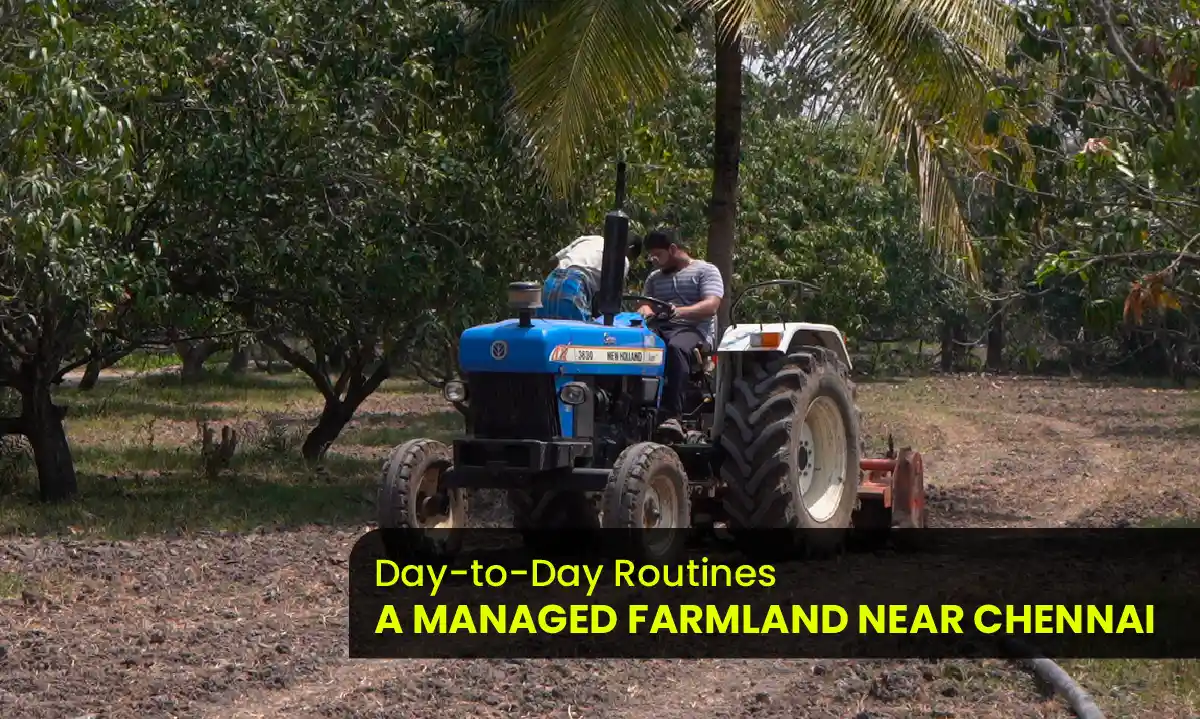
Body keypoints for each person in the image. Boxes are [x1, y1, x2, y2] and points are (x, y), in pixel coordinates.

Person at [636, 227, 724, 439]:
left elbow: (711, 305)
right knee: (634, 345)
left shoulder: (705, 270)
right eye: (651, 255)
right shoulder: (654, 278)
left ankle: (672, 416)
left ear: (673, 249)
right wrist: (646, 312)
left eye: (658, 254)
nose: (653, 260)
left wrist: (678, 312)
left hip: (694, 331)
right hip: (661, 329)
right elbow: (645, 305)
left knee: (676, 347)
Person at [537, 233, 643, 322]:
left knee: (549, 329)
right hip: (575, 285)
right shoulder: (622, 259)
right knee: (577, 339)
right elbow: (610, 297)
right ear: (630, 248)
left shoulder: (591, 238)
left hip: (551, 281)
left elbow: (552, 260)